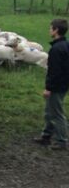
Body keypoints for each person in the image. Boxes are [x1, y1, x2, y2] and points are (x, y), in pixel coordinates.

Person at [34, 18, 69, 150]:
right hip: (63, 85)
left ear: (56, 30)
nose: (49, 30)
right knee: (49, 111)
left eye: (51, 28)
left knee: (57, 113)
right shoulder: (66, 45)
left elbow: (54, 71)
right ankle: (46, 136)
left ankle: (62, 141)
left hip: (57, 86)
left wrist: (49, 88)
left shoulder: (56, 49)